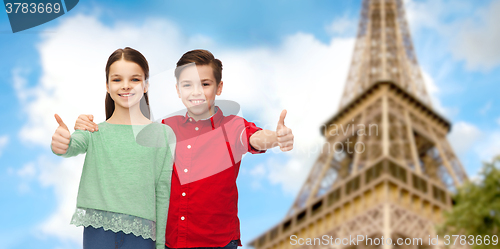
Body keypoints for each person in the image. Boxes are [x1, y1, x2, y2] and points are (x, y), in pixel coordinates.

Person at [74, 49, 294, 249]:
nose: (196, 92)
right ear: (178, 90)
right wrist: (88, 126)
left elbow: (254, 138)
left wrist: (276, 138)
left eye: (205, 84)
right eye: (188, 85)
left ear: (219, 87)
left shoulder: (232, 126)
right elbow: (126, 142)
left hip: (217, 243)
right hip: (171, 242)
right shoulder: (164, 129)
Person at [51, 47, 175, 249]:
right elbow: (71, 146)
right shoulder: (92, 130)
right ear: (107, 86)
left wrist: (161, 244)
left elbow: (163, 192)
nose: (126, 86)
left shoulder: (163, 134)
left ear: (146, 85)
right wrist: (61, 143)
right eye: (117, 79)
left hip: (143, 236)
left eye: (134, 79)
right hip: (98, 233)